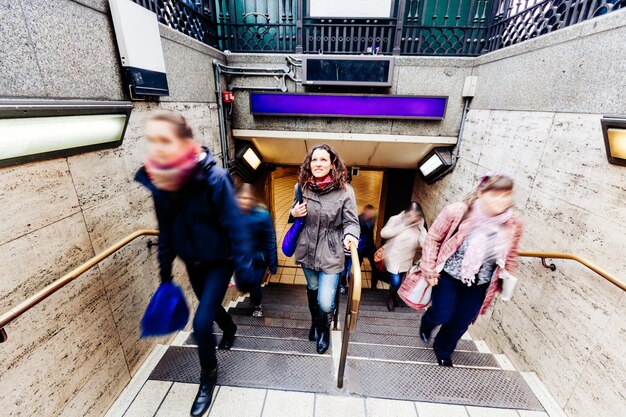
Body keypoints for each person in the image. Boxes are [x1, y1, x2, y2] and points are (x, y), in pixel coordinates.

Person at [135, 110, 253, 417]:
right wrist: (165, 274)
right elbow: (167, 232)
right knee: (210, 308)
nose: (158, 147)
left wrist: (243, 271)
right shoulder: (161, 182)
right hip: (193, 262)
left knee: (200, 324)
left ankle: (207, 378)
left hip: (218, 261)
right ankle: (230, 327)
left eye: (165, 139)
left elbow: (234, 226)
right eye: (153, 141)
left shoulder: (214, 178)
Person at [419, 173, 524, 367]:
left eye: (505, 195)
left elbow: (510, 253)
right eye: (495, 194)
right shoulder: (458, 212)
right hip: (448, 276)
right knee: (442, 313)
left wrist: (508, 277)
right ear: (481, 193)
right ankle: (428, 321)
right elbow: (433, 238)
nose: (501, 200)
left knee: (462, 320)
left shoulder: (513, 223)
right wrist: (429, 268)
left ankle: (443, 349)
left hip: (480, 283)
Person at [290, 144, 360, 354]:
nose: (318, 164)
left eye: (323, 160)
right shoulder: (301, 187)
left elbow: (352, 222)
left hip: (331, 252)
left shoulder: (345, 191)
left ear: (332, 164)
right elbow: (293, 213)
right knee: (312, 288)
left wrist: (350, 235)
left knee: (326, 301)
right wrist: (294, 212)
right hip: (307, 248)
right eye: (314, 160)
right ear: (309, 164)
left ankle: (324, 331)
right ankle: (315, 322)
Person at [236, 183, 278, 317]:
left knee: (254, 284)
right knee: (242, 285)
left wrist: (272, 264)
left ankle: (257, 305)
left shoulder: (262, 215)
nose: (245, 201)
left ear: (253, 199)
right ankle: (253, 296)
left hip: (259, 258)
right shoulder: (233, 213)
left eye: (248, 198)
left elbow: (270, 239)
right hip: (241, 258)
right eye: (242, 198)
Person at [380, 202, 427, 311]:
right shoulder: (396, 219)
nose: (413, 218)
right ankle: (391, 298)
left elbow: (425, 244)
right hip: (393, 259)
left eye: (416, 216)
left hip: (407, 261)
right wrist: (404, 225)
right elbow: (384, 233)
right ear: (406, 213)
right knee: (396, 282)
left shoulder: (418, 225)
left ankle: (393, 295)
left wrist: (421, 228)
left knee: (399, 282)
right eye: (411, 215)